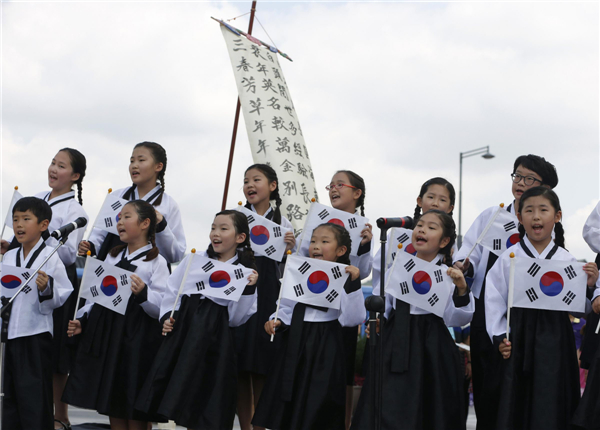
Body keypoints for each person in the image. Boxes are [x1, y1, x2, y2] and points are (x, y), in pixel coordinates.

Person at [453, 154, 558, 429]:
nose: (521, 183)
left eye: (530, 179)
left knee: (519, 381)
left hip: (527, 314)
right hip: (486, 307)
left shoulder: (546, 223)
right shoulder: (493, 215)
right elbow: (470, 251)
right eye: (518, 176)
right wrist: (464, 265)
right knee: (488, 379)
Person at [485, 187, 597, 430]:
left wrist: (589, 286)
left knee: (554, 403)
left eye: (543, 210)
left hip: (558, 342)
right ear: (519, 217)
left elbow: (582, 310)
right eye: (529, 210)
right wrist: (499, 336)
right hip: (519, 338)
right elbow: (493, 300)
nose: (536, 216)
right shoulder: (509, 257)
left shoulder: (567, 260)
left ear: (557, 216)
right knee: (517, 403)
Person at [135, 210, 258, 430]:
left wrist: (249, 289)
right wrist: (168, 316)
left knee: (208, 402)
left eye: (223, 228)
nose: (215, 233)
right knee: (177, 391)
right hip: (184, 331)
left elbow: (236, 318)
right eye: (213, 227)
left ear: (240, 237)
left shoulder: (243, 272)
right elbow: (173, 291)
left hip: (216, 340)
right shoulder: (194, 259)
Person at [352, 210, 473, 430]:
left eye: (431, 227)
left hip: (432, 347)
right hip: (395, 340)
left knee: (431, 407)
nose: (422, 230)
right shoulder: (397, 266)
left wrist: (462, 289)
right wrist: (379, 322)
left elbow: (457, 318)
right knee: (388, 403)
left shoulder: (448, 274)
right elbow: (386, 305)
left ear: (444, 241)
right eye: (419, 225)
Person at [62, 200, 169, 430]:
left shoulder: (156, 262)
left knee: (133, 403)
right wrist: (82, 319)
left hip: (137, 340)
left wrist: (143, 293)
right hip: (110, 337)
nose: (119, 222)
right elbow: (96, 294)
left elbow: (162, 306)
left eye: (127, 217)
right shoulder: (112, 256)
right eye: (119, 217)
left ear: (145, 223)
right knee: (113, 401)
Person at [252, 223, 366, 430]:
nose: (316, 246)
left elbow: (353, 317)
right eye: (313, 241)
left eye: (324, 241)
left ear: (341, 251)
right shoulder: (298, 270)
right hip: (295, 340)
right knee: (288, 399)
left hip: (326, 344)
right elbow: (285, 305)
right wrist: (276, 319)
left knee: (319, 402)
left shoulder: (346, 277)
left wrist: (354, 284)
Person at [0, 197, 72, 429]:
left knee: (33, 395)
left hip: (35, 334)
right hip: (8, 334)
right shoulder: (10, 256)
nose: (19, 225)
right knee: (7, 395)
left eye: (26, 219)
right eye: (15, 220)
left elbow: (63, 291)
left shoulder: (50, 255)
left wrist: (47, 286)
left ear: (43, 225)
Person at [235, 164, 296, 430]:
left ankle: (259, 426)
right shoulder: (236, 216)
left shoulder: (284, 223)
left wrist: (289, 250)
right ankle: (245, 426)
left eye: (256, 179)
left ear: (272, 186)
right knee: (239, 364)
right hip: (240, 288)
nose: (250, 185)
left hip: (270, 290)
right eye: (246, 180)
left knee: (262, 362)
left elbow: (288, 269)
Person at [78, 141, 186, 263]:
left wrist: (161, 226)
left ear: (158, 166)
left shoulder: (168, 205)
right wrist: (90, 246)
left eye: (141, 160)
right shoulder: (117, 196)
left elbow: (176, 255)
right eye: (132, 161)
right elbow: (99, 234)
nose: (134, 165)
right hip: (111, 269)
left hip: (147, 274)